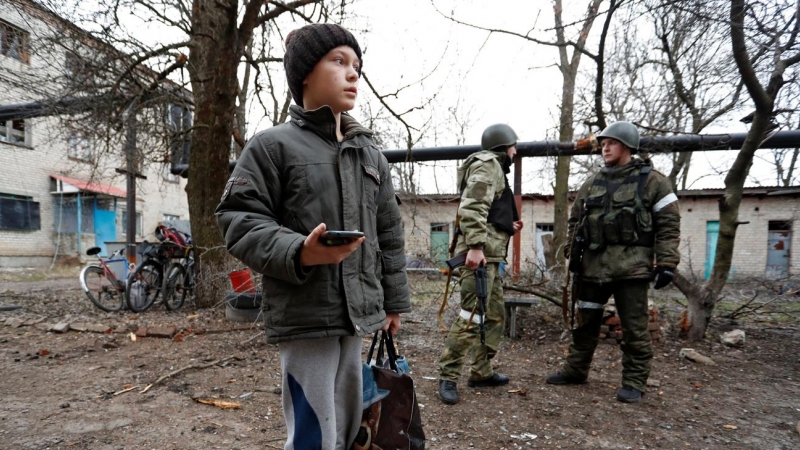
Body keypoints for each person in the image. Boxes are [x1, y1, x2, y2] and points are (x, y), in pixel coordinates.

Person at [215, 23, 410, 449]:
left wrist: (393, 302)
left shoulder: (370, 155)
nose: (353, 73)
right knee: (312, 431)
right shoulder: (271, 147)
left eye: (356, 65)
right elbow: (237, 217)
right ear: (305, 73)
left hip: (357, 314)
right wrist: (299, 251)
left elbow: (389, 234)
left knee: (349, 423)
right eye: (339, 61)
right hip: (305, 315)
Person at [545, 121, 681, 403]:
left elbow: (668, 225)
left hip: (631, 269)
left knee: (634, 328)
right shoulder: (592, 182)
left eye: (612, 143)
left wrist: (667, 263)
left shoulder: (653, 181)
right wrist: (573, 252)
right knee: (584, 323)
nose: (605, 147)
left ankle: (633, 381)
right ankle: (576, 370)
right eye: (603, 143)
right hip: (592, 268)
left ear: (628, 146)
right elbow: (575, 221)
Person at [437, 123, 524, 405]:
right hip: (480, 257)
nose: (516, 151)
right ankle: (448, 376)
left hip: (491, 256)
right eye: (513, 146)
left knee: (495, 316)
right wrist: (475, 246)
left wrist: (505, 225)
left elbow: (487, 211)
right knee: (471, 316)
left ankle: (481, 371)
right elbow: (473, 207)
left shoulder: (495, 169)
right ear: (503, 146)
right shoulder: (488, 165)